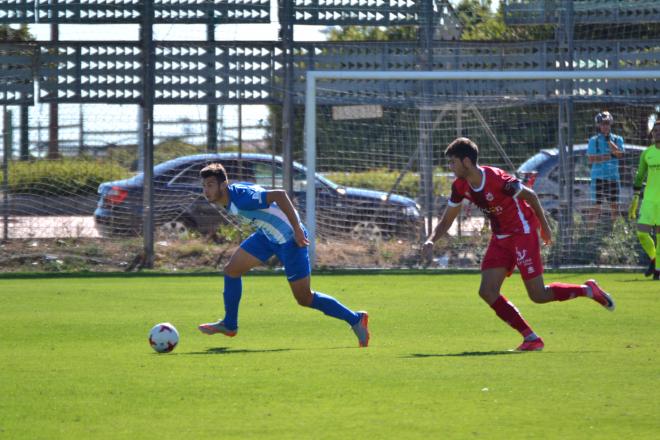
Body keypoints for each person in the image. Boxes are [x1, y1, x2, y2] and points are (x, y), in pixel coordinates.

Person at [422, 138, 615, 352]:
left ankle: (588, 290)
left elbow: (530, 196)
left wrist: (545, 227)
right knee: (487, 291)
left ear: (466, 161)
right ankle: (531, 338)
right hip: (501, 237)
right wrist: (431, 239)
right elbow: (447, 219)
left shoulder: (497, 179)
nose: (450, 167)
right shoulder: (459, 186)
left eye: (453, 162)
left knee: (538, 295)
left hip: (523, 232)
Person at [197, 163, 370, 347]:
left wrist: (297, 229)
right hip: (267, 236)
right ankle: (229, 325)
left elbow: (280, 195)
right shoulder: (228, 197)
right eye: (204, 186)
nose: (206, 190)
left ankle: (355, 319)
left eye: (210, 185)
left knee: (304, 298)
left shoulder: (241, 199)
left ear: (223, 185)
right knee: (232, 271)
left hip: (290, 239)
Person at [628, 120, 660, 280]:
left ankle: (658, 271)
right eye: (655, 131)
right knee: (642, 233)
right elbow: (640, 176)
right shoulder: (647, 153)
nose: (657, 133)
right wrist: (635, 199)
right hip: (648, 200)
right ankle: (654, 260)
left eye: (659, 130)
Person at [587, 111, 625, 223]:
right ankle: (590, 231)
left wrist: (609, 141)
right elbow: (591, 159)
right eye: (602, 123)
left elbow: (619, 154)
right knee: (596, 206)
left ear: (611, 124)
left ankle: (613, 233)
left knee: (614, 207)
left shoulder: (618, 139)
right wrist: (609, 156)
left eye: (607, 123)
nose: (605, 126)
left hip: (613, 177)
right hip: (598, 178)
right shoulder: (594, 140)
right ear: (598, 125)